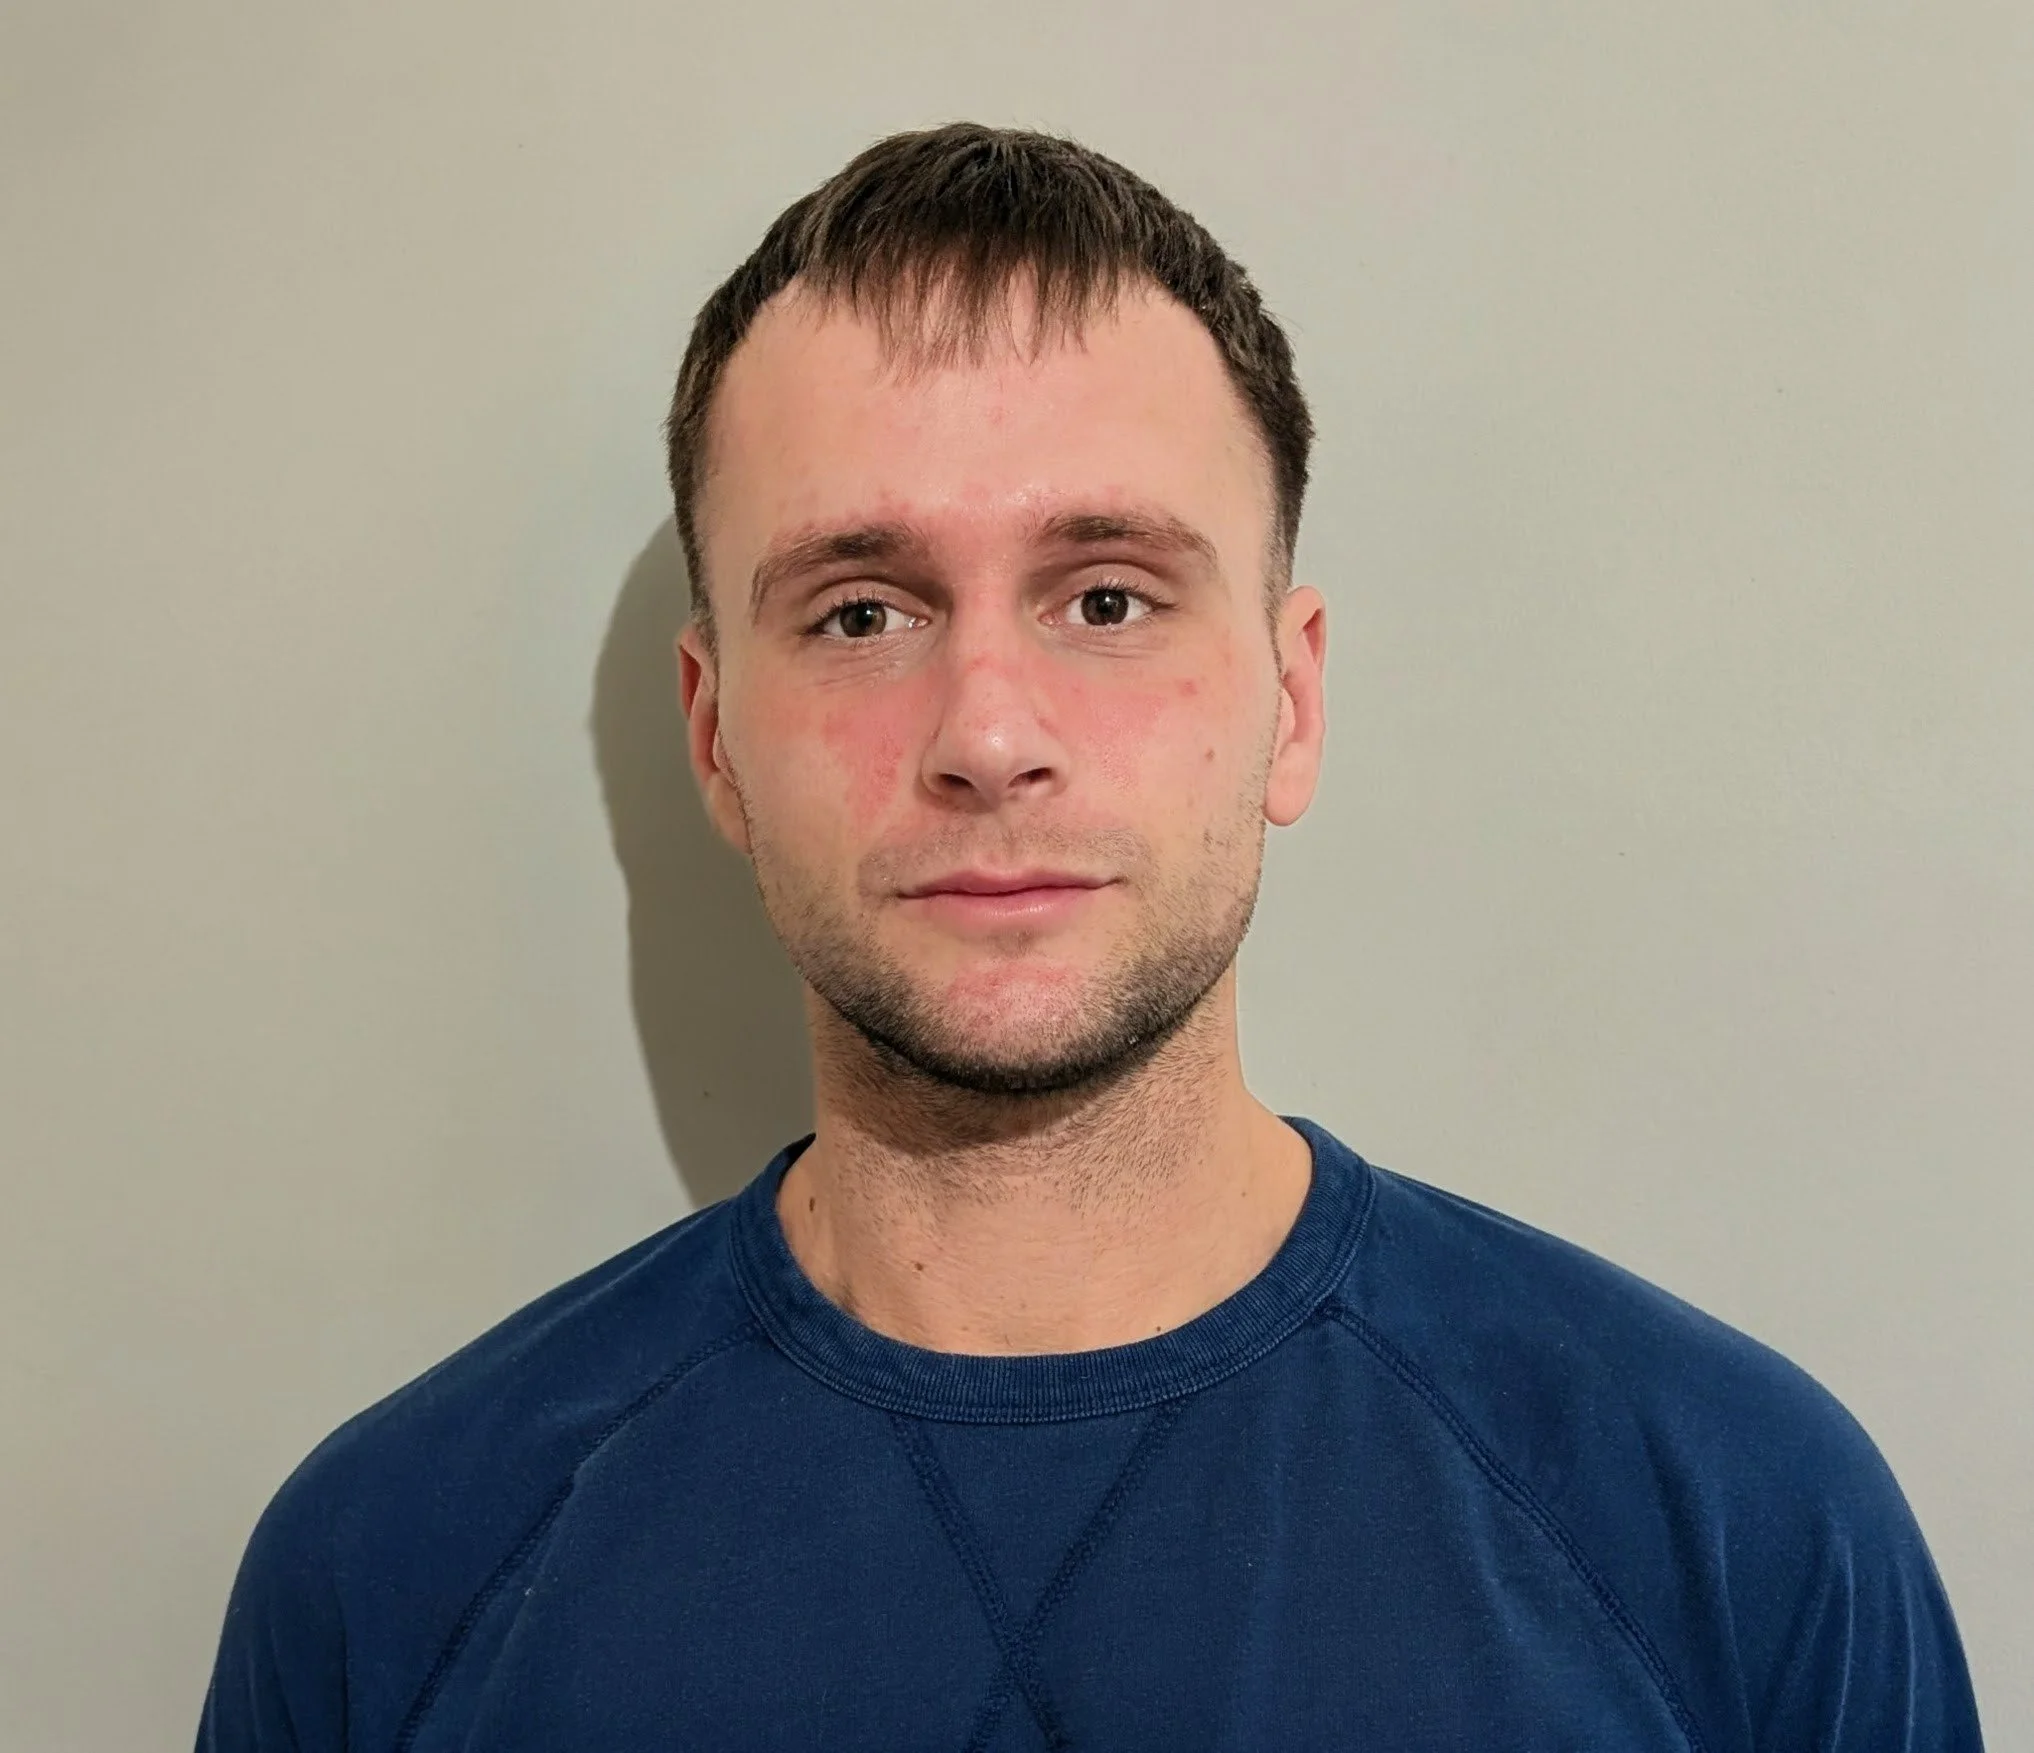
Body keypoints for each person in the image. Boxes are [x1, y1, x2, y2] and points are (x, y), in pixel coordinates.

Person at [197, 122, 1983, 1751]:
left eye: (1108, 597)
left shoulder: (1736, 1529)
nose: (988, 734)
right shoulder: (389, 1576)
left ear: (1289, 701)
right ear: (715, 738)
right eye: (860, 613)